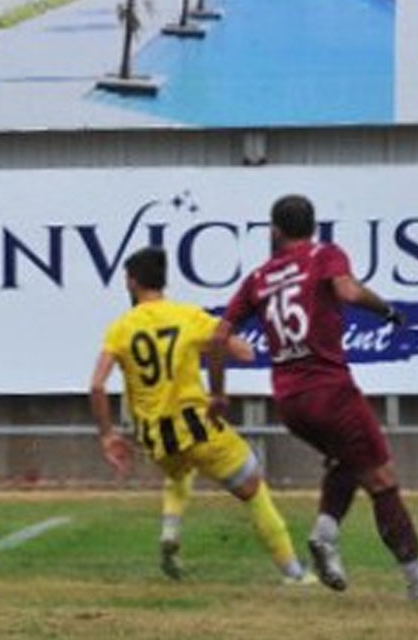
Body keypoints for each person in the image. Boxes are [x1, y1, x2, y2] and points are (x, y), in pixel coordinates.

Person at [213, 195, 418, 598]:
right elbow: (348, 291)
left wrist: (218, 394)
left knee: (349, 459)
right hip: (330, 390)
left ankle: (325, 532)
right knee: (382, 481)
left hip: (290, 401)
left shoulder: (257, 278)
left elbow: (218, 337)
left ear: (275, 231)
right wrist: (387, 311)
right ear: (313, 227)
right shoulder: (324, 254)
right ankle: (414, 575)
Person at [91, 247, 313, 584]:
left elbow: (96, 386)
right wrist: (222, 365)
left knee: (180, 472)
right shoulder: (187, 316)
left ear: (134, 282)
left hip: (154, 438)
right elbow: (239, 348)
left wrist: (108, 435)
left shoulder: (119, 328)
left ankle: (170, 532)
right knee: (253, 488)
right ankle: (294, 574)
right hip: (198, 427)